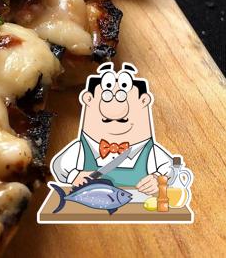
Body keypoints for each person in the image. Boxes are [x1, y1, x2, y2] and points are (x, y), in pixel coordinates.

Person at [50, 62, 174, 197]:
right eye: (106, 96)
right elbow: (59, 167)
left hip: (143, 211)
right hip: (89, 209)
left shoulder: (149, 151)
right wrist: (74, 176)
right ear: (88, 99)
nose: (115, 108)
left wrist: (159, 180)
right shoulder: (82, 148)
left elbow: (173, 169)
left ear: (144, 101)